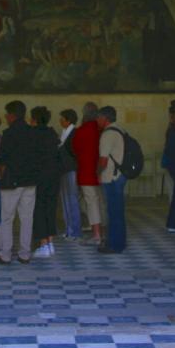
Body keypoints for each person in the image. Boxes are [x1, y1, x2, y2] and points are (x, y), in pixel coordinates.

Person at [0, 100, 40, 264]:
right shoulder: (33, 132)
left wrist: (3, 176)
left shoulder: (8, 134)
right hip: (30, 181)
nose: (6, 117)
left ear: (12, 115)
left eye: (7, 114)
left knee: (7, 218)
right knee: (27, 218)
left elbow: (3, 159)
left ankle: (5, 254)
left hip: (12, 181)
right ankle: (24, 254)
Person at [30, 106, 62, 258]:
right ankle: (50, 242)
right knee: (50, 207)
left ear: (34, 119)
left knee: (39, 209)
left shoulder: (33, 134)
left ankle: (43, 244)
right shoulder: (52, 133)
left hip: (39, 176)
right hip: (54, 176)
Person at [96, 105, 128, 254]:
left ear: (105, 118)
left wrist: (97, 173)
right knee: (118, 212)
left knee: (113, 212)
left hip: (111, 177)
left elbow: (103, 160)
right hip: (120, 175)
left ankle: (114, 245)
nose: (97, 120)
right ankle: (120, 242)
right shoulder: (120, 130)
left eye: (99, 117)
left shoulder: (107, 134)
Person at [72, 101, 103, 245]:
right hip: (102, 171)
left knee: (91, 203)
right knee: (99, 202)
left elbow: (75, 150)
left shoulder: (81, 131)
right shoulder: (101, 130)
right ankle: (99, 229)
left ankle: (96, 234)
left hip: (86, 172)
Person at [58, 109, 82, 241]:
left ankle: (76, 231)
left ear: (68, 120)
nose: (60, 121)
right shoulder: (63, 133)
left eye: (62, 118)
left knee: (72, 200)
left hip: (71, 169)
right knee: (65, 201)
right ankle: (69, 229)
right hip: (63, 169)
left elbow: (75, 152)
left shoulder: (75, 133)